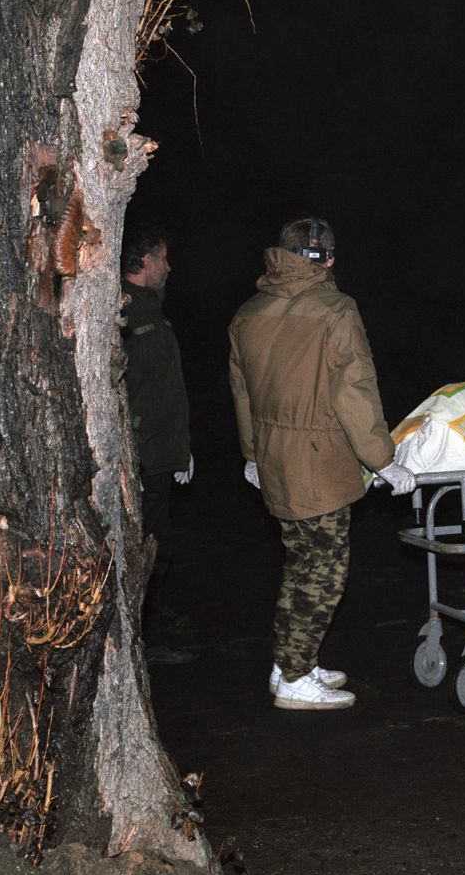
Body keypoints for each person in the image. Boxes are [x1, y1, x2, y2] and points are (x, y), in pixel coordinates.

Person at [229, 216, 415, 711]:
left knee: (299, 563)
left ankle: (291, 662)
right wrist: (382, 459)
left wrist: (252, 454)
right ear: (329, 259)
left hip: (276, 459)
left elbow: (241, 391)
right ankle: (293, 676)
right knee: (325, 571)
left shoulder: (249, 313)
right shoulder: (336, 309)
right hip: (317, 462)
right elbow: (353, 388)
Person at [121, 221, 194, 664]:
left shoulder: (152, 311)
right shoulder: (126, 311)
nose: (169, 266)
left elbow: (164, 388)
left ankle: (150, 639)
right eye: (163, 258)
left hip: (161, 455)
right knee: (148, 549)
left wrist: (182, 447)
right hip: (142, 459)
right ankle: (144, 643)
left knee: (160, 547)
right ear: (145, 261)